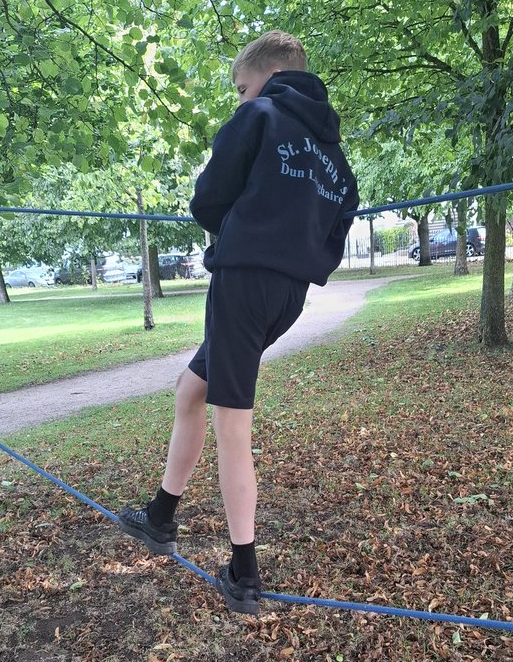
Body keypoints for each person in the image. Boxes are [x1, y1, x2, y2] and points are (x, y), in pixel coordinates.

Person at [117, 30, 358, 615]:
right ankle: (161, 516)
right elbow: (340, 220)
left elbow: (208, 198)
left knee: (233, 425)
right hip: (289, 295)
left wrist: (241, 233)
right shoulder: (334, 154)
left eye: (242, 88)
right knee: (190, 390)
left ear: (269, 77)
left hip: (243, 283)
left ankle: (244, 571)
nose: (241, 99)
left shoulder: (259, 117)